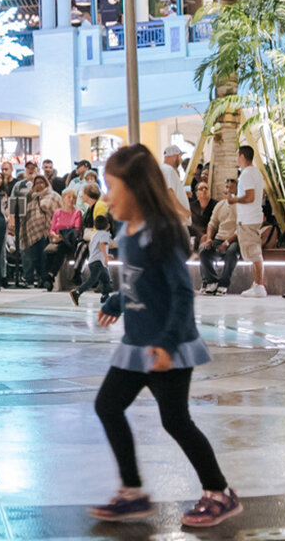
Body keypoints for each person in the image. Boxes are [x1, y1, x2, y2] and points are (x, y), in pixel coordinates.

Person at [89, 145, 237, 527]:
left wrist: (168, 344)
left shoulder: (164, 231)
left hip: (167, 347)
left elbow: (180, 291)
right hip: (138, 344)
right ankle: (132, 492)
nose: (106, 197)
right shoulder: (126, 230)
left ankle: (220, 492)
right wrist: (118, 301)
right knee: (108, 406)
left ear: (136, 189)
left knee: (176, 421)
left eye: (111, 188)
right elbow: (141, 281)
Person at [229, 146, 267, 298]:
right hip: (251, 218)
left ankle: (259, 285)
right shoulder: (254, 173)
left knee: (255, 254)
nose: (236, 158)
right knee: (253, 254)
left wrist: (234, 199)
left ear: (242, 156)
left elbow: (250, 196)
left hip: (249, 219)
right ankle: (256, 284)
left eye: (237, 155)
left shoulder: (247, 174)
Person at [198, 178, 241, 296]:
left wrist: (226, 243)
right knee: (203, 249)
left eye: (232, 187)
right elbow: (212, 224)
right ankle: (211, 281)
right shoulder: (220, 205)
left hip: (235, 240)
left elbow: (240, 229)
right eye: (227, 187)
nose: (229, 190)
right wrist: (209, 239)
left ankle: (224, 284)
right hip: (219, 238)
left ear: (237, 189)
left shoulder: (241, 206)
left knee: (232, 251)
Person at [19, 175, 58, 290]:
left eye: (42, 182)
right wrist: (30, 195)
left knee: (44, 257)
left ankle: (46, 279)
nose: (39, 185)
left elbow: (52, 209)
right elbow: (25, 212)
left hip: (47, 231)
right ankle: (40, 278)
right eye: (37, 183)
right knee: (35, 257)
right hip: (34, 232)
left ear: (46, 183)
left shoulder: (53, 195)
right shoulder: (32, 198)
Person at [69, 214, 115, 305]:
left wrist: (104, 255)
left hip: (94, 261)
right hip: (98, 262)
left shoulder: (94, 234)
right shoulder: (105, 234)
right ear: (108, 226)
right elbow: (102, 244)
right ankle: (77, 292)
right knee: (93, 279)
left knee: (106, 279)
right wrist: (105, 256)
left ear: (94, 226)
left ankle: (105, 296)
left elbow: (91, 246)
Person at [161, 145, 190, 218]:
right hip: (176, 218)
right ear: (175, 157)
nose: (181, 160)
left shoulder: (165, 169)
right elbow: (169, 192)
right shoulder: (168, 170)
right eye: (180, 157)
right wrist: (184, 211)